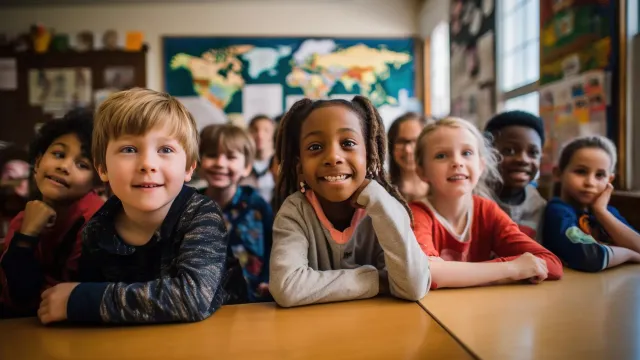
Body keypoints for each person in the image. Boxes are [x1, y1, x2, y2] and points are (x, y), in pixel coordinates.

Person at [36, 88, 228, 324]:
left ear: (188, 168)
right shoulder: (96, 230)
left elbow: (193, 298)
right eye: (129, 149)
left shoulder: (201, 215)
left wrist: (81, 300)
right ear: (103, 168)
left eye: (165, 150)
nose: (148, 164)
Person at [269, 96, 430, 308]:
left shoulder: (383, 208)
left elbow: (413, 286)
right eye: (315, 147)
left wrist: (378, 198)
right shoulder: (294, 212)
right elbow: (287, 287)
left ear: (370, 155)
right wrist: (379, 280)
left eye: (348, 143)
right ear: (300, 165)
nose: (333, 157)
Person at [410, 117, 562, 289]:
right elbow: (425, 272)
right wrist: (512, 268)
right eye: (441, 155)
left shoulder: (487, 210)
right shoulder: (417, 214)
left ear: (481, 165)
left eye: (467, 153)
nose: (457, 162)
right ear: (421, 171)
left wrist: (452, 273)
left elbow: (550, 264)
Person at [0, 110, 104, 318]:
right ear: (37, 163)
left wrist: (26, 238)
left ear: (97, 183)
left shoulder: (97, 222)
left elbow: (73, 297)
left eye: (82, 164)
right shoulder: (24, 218)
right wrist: (27, 233)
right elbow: (16, 293)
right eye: (58, 154)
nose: (63, 166)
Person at [542, 135, 640, 271]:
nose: (590, 182)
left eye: (600, 175)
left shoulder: (607, 212)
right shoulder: (557, 211)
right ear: (558, 173)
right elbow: (590, 257)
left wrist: (601, 212)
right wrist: (629, 254)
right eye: (581, 171)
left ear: (609, 180)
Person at [199, 124, 273, 304]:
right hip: (205, 303)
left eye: (231, 157)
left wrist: (270, 281)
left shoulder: (257, 205)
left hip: (254, 302)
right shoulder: (191, 206)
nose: (220, 163)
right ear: (199, 161)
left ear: (247, 167)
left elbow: (275, 247)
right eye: (212, 155)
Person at [485, 110, 546, 239]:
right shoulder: (471, 200)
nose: (523, 159)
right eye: (509, 151)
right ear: (487, 153)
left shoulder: (540, 207)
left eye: (533, 153)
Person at [387, 112, 429, 202]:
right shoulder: (382, 190)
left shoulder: (441, 190)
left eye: (415, 141)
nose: (408, 150)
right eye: (401, 142)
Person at [243, 115, 276, 203]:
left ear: (274, 133)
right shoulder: (242, 163)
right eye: (255, 130)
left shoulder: (281, 162)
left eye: (266, 130)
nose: (260, 135)